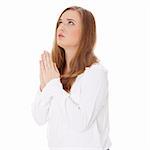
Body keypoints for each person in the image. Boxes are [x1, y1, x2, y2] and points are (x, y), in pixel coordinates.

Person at [32, 6, 112, 150]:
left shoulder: (95, 73)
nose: (61, 27)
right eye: (60, 22)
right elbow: (39, 117)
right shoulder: (55, 73)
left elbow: (81, 122)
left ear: (85, 33)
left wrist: (53, 85)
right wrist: (45, 86)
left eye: (70, 22)